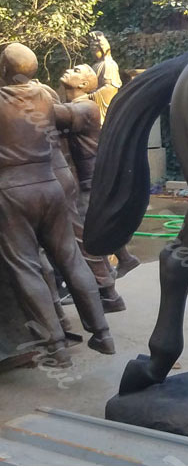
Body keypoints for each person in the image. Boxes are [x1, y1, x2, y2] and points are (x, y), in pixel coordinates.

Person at [0, 43, 114, 366]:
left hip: (12, 191)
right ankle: (102, 333)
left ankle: (56, 347)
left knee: (26, 267)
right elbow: (65, 117)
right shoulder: (45, 96)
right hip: (49, 186)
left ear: (5, 71)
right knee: (71, 257)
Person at [59, 64, 125, 311]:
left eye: (76, 70)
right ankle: (109, 288)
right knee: (86, 235)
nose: (69, 70)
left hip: (89, 181)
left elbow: (46, 113)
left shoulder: (84, 107)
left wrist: (26, 91)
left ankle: (108, 293)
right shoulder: (72, 107)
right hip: (81, 180)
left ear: (85, 85)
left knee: (86, 238)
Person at [86, 32, 141, 277]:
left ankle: (106, 267)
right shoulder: (96, 65)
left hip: (98, 127)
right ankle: (116, 259)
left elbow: (110, 90)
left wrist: (85, 98)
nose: (94, 48)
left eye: (97, 44)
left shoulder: (108, 65)